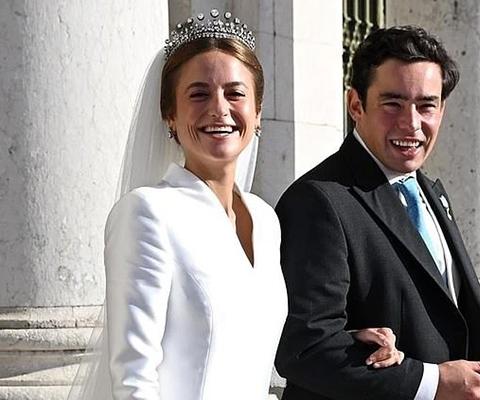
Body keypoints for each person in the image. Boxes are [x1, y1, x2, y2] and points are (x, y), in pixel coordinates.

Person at [68, 10, 402, 400]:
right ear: (169, 114)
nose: (219, 109)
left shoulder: (265, 219)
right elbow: (134, 379)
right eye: (199, 94)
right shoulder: (147, 214)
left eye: (235, 93)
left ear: (257, 113)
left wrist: (351, 345)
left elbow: (251, 344)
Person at [274, 26, 480, 400]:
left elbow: (469, 331)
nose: (412, 123)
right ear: (355, 105)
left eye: (426, 105)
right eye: (392, 103)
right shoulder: (317, 202)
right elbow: (306, 348)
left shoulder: (431, 192)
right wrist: (431, 382)